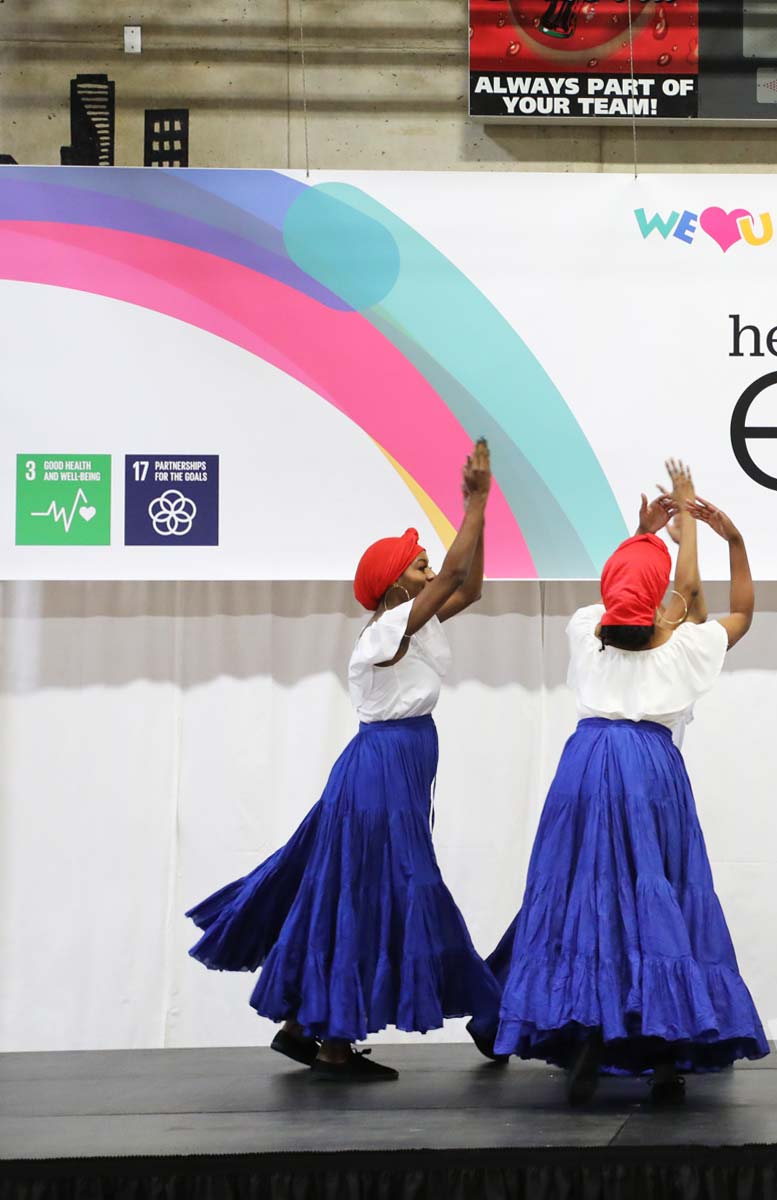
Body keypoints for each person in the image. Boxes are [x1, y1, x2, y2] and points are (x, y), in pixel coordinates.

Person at [186, 440, 500, 1081]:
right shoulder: (386, 632)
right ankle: (329, 1042)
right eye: (418, 567)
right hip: (380, 775)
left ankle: (306, 1028)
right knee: (376, 892)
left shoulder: (413, 625)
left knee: (353, 893)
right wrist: (473, 503)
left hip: (393, 770)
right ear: (395, 583)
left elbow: (469, 586)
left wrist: (483, 516)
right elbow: (451, 580)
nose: (429, 573)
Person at [487, 460, 767, 1106]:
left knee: (587, 896)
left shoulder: (585, 629)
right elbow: (732, 608)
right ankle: (664, 1052)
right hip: (647, 768)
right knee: (657, 895)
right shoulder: (685, 645)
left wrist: (642, 536)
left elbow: (632, 593)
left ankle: (588, 1026)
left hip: (586, 765)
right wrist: (723, 536)